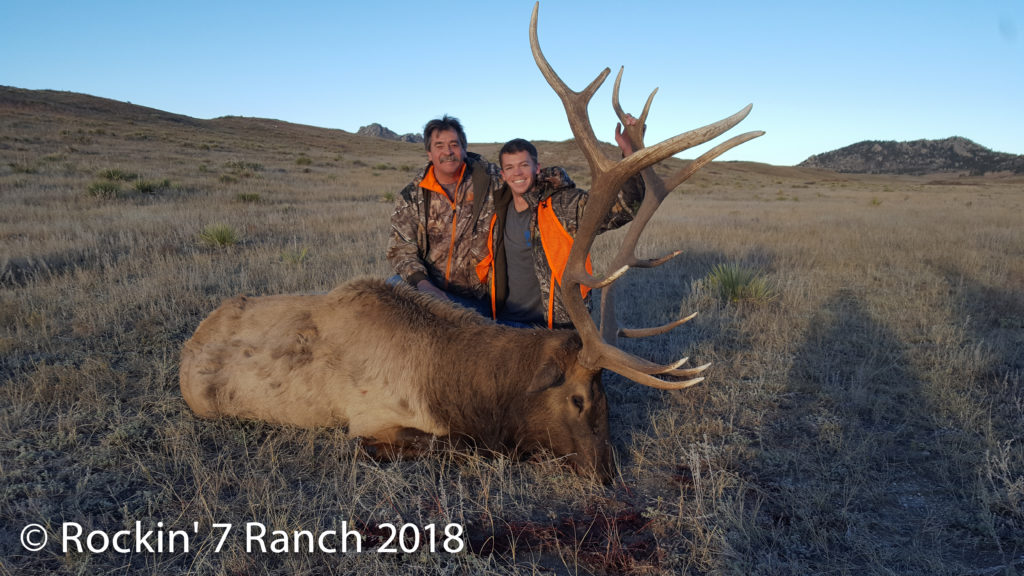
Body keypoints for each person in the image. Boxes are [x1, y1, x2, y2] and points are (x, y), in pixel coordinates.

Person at [475, 120, 644, 329]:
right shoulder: (497, 211)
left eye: (524, 165)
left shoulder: (562, 205)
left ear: (537, 168)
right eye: (510, 167)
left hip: (555, 327)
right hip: (506, 324)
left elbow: (625, 206)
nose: (517, 173)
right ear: (503, 174)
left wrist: (631, 152)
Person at [386, 115, 502, 313]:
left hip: (480, 298)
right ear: (429, 153)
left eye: (454, 144)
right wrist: (424, 285)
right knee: (390, 288)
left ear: (464, 149)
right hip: (431, 291)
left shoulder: (492, 182)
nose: (448, 152)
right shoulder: (413, 195)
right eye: (439, 146)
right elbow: (400, 250)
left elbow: (525, 177)